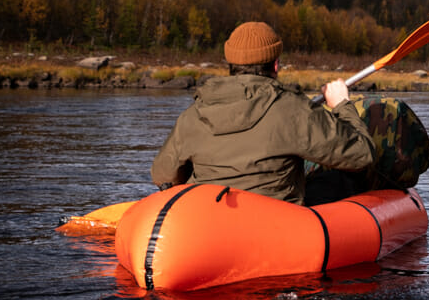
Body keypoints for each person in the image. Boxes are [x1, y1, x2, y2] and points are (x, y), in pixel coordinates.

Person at [149, 20, 374, 203]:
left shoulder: (193, 114)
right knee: (338, 180)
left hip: (209, 223)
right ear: (275, 65)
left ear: (231, 64)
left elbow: (163, 176)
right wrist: (342, 104)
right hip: (274, 226)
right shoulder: (294, 109)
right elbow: (362, 156)